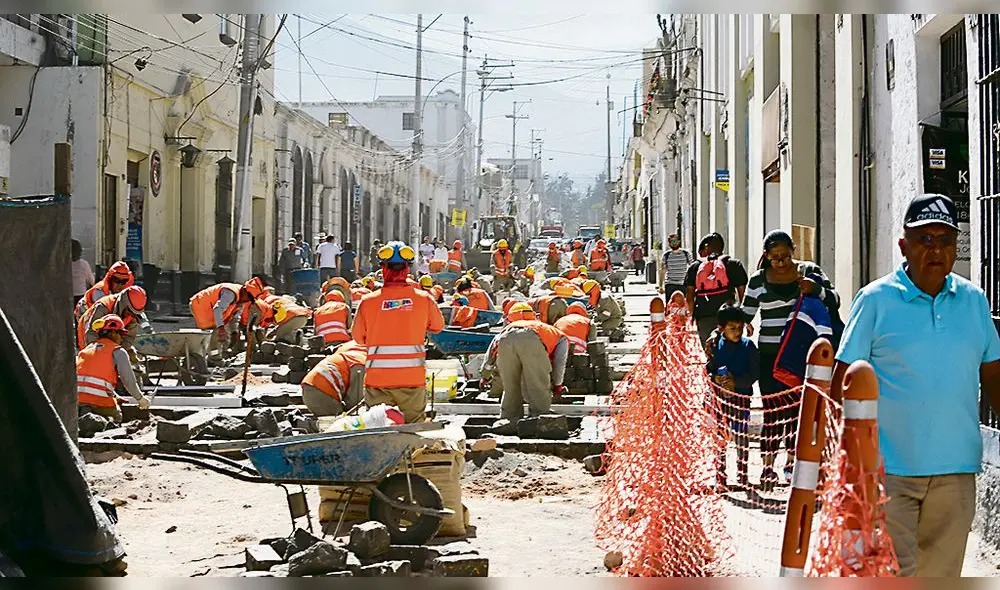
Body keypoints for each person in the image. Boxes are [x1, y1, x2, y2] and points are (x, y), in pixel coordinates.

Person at [832, 193, 1000, 577]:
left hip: (956, 473)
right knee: (894, 576)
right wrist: (844, 461)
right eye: (925, 239)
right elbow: (842, 380)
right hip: (887, 473)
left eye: (945, 240)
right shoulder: (875, 300)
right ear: (904, 245)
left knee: (941, 579)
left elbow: (993, 375)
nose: (936, 249)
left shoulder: (974, 301)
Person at [739, 230, 838, 490]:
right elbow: (745, 315)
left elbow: (835, 300)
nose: (781, 263)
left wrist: (816, 289)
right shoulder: (758, 281)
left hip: (801, 356)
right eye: (775, 258)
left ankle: (793, 466)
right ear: (766, 256)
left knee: (798, 412)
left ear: (793, 251)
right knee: (772, 413)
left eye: (786, 256)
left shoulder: (810, 271)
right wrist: (723, 332)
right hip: (770, 357)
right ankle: (768, 468)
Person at [352, 241, 445, 423]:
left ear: (383, 269)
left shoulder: (367, 302)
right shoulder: (424, 299)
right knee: (413, 434)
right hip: (412, 381)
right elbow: (438, 326)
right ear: (407, 269)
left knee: (378, 430)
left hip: (377, 382)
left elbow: (358, 338)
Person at [481, 303, 569, 435]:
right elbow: (559, 363)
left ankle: (509, 421)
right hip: (533, 340)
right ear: (534, 316)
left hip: (506, 341)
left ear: (510, 318)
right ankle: (539, 420)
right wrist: (558, 384)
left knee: (510, 385)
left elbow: (491, 354)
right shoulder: (551, 332)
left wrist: (485, 375)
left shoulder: (507, 329)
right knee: (537, 383)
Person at [706, 304, 759, 489]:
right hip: (719, 401)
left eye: (740, 328)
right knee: (719, 438)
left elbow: (754, 373)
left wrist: (737, 382)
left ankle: (743, 475)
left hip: (741, 399)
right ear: (721, 329)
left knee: (741, 436)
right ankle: (720, 476)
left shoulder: (748, 346)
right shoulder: (715, 345)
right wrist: (716, 379)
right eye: (732, 328)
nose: (737, 332)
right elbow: (708, 368)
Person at [76, 314, 152, 423]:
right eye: (120, 334)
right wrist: (141, 399)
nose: (121, 339)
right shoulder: (118, 351)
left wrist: (115, 395)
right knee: (117, 417)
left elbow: (92, 378)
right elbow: (128, 380)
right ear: (113, 333)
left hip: (77, 401)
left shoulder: (85, 350)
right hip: (99, 401)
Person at [685, 232, 749, 345]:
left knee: (710, 351)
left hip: (704, 316)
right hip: (730, 317)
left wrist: (691, 316)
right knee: (731, 350)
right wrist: (745, 319)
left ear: (706, 248)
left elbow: (689, 297)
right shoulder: (734, 265)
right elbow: (743, 295)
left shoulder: (695, 268)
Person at [190, 278, 267, 353]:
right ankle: (211, 358)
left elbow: (235, 317)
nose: (248, 301)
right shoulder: (230, 293)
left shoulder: (241, 300)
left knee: (221, 334)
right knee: (212, 334)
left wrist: (234, 332)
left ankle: (214, 356)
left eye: (251, 300)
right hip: (200, 305)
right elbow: (217, 309)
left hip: (211, 310)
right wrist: (221, 327)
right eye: (250, 298)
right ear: (245, 292)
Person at [301, 340, 367, 417]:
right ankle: (299, 423)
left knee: (330, 422)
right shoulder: (360, 363)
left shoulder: (350, 349)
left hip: (311, 385)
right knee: (338, 424)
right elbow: (355, 403)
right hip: (322, 391)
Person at [77, 285, 149, 351]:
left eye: (135, 313)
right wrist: (101, 353)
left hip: (108, 342)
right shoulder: (103, 307)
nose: (131, 315)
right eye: (130, 311)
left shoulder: (132, 315)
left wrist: (120, 353)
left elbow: (128, 338)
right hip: (86, 334)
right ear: (124, 303)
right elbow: (91, 333)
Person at [71, 239, 95, 306]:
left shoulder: (62, 265)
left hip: (65, 297)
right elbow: (92, 281)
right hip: (80, 297)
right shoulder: (84, 264)